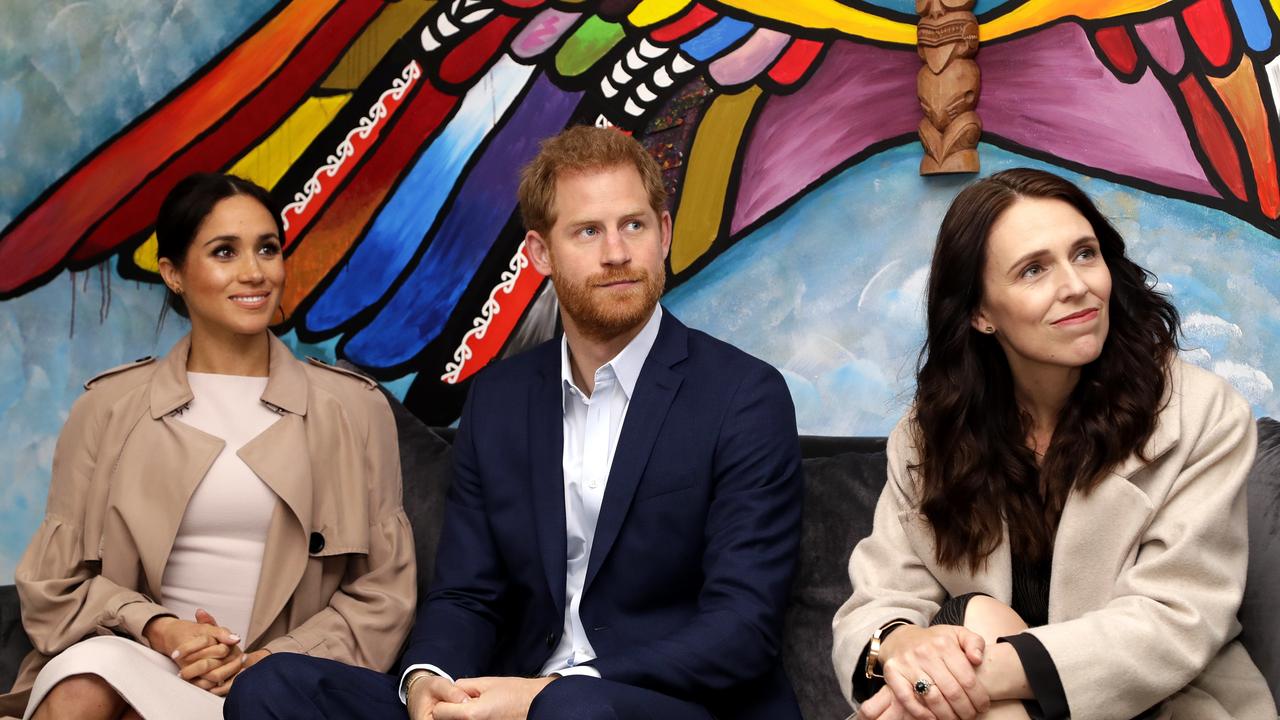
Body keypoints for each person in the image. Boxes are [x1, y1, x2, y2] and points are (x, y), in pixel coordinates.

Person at [225, 125, 805, 719]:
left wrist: (545, 693)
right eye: (587, 231)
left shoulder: (743, 396)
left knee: (569, 712)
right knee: (272, 687)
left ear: (665, 234)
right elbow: (468, 594)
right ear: (540, 254)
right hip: (512, 697)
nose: (617, 253)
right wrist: (429, 682)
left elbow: (741, 629)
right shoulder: (500, 398)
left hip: (668, 706)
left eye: (635, 225)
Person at [832, 168, 1277, 720]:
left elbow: (1174, 623)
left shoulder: (1202, 414)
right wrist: (898, 648)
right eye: (1034, 269)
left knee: (972, 643)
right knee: (973, 624)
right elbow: (881, 597)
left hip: (1159, 704)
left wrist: (959, 682)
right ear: (979, 312)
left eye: (1085, 254)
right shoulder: (930, 433)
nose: (1075, 285)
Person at [0, 173, 416, 720]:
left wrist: (269, 662)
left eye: (267, 249)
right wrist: (156, 627)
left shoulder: (356, 410)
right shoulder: (106, 409)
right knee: (84, 688)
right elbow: (54, 585)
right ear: (172, 274)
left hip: (278, 674)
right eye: (225, 251)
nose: (254, 272)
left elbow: (383, 593)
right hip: (133, 652)